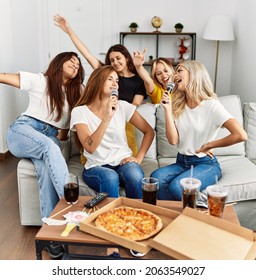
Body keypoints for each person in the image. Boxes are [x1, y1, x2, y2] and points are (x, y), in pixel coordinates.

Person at [0, 51, 85, 259]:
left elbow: (64, 134)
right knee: (49, 146)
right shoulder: (41, 80)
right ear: (59, 63)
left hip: (49, 138)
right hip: (23, 131)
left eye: (78, 64)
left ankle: (51, 235)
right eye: (71, 61)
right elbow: (3, 76)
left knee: (47, 170)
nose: (75, 65)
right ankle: (72, 202)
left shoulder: (75, 93)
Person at [150, 60, 247, 201]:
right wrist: (167, 110)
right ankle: (176, 216)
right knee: (156, 178)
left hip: (205, 164)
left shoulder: (212, 105)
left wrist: (210, 145)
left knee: (178, 187)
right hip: (182, 161)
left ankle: (198, 215)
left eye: (180, 70)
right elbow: (173, 140)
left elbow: (240, 135)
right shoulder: (178, 105)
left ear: (194, 74)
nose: (175, 75)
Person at [70, 65, 154, 198]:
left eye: (117, 81)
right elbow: (90, 147)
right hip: (96, 166)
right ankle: (110, 218)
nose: (115, 83)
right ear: (97, 81)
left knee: (134, 174)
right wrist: (108, 116)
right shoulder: (80, 111)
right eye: (110, 79)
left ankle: (137, 216)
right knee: (110, 177)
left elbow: (149, 131)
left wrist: (138, 158)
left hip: (122, 162)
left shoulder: (123, 106)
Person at [53, 14, 147, 106]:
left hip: (123, 117)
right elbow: (87, 55)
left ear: (126, 58)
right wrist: (68, 30)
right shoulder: (106, 72)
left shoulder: (138, 81)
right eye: (112, 60)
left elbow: (135, 105)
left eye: (118, 58)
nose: (115, 62)